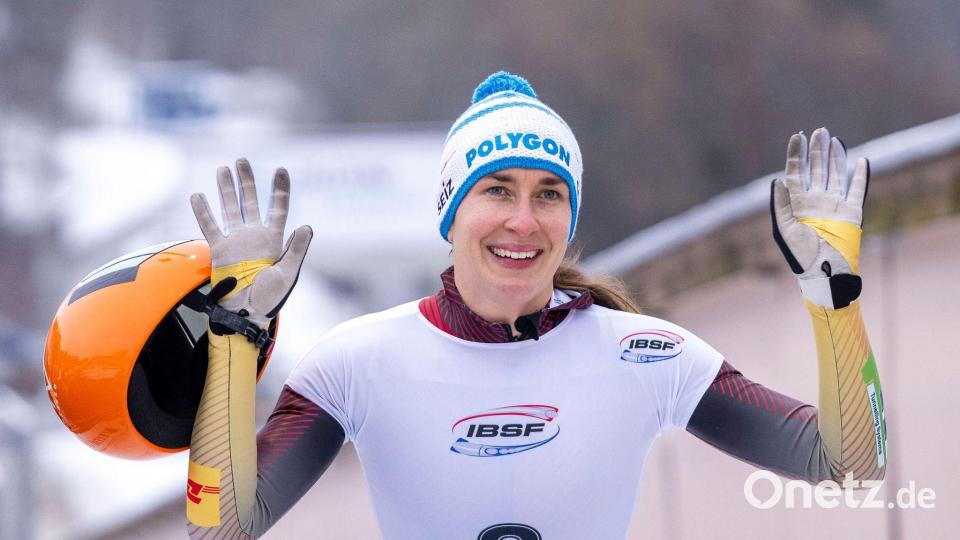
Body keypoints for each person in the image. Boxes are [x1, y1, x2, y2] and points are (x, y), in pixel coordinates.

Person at [184, 72, 887, 539]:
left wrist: (834, 297)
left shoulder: (646, 354)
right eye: (496, 190)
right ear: (450, 213)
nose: (523, 220)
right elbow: (216, 527)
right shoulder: (355, 363)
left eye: (548, 194)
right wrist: (233, 337)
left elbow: (855, 461)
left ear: (569, 220)